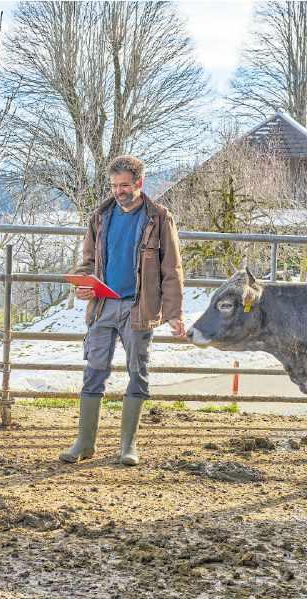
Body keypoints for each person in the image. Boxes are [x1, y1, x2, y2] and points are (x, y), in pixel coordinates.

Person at [60, 155, 185, 466]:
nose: (118, 191)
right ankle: (85, 443)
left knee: (137, 374)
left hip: (138, 308)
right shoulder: (100, 217)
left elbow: (172, 269)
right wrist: (84, 282)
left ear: (140, 183)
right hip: (103, 305)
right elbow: (87, 260)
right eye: (114, 186)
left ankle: (128, 446)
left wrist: (174, 314)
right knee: (94, 372)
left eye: (124, 185)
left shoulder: (159, 218)